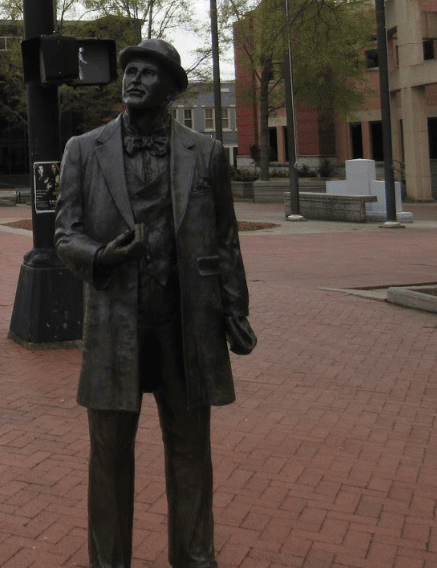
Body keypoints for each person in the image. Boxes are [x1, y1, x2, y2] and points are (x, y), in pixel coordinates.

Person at [56, 38, 256, 568]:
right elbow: (64, 236)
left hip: (185, 324)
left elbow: (225, 238)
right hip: (114, 322)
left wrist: (236, 308)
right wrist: (100, 256)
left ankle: (194, 558)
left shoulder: (206, 154)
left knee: (191, 453)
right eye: (130, 71)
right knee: (109, 456)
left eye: (149, 72)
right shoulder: (83, 150)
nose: (135, 79)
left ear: (170, 87)